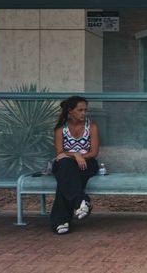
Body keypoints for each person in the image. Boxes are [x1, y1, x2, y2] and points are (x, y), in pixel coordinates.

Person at [50, 96, 99, 234]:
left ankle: (61, 220)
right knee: (66, 165)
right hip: (66, 163)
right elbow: (60, 152)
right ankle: (81, 201)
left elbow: (94, 152)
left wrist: (80, 157)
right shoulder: (61, 128)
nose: (84, 113)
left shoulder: (92, 126)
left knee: (64, 181)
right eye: (80, 110)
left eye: (85, 110)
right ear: (70, 111)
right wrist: (75, 155)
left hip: (87, 163)